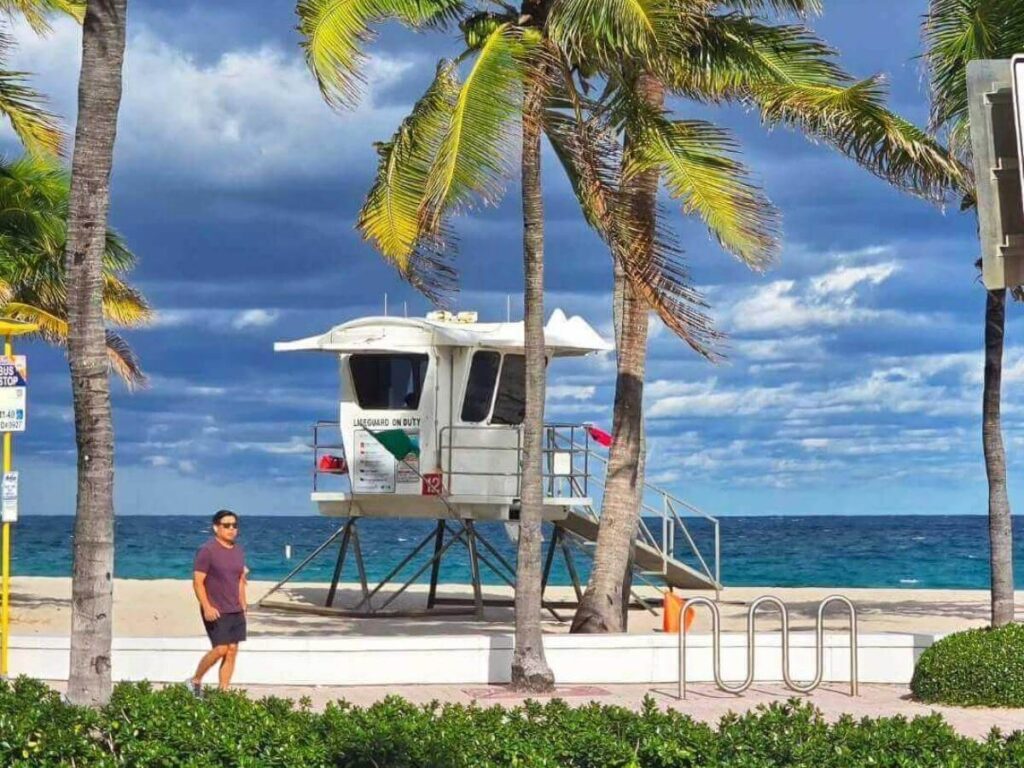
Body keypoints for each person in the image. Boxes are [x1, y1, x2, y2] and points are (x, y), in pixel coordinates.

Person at [189, 509, 248, 695]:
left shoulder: (238, 550)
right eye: (226, 525)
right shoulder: (207, 550)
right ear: (216, 528)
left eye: (234, 525)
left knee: (232, 651)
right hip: (215, 609)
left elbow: (240, 579)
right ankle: (195, 680)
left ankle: (223, 693)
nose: (231, 529)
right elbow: (198, 582)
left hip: (235, 609)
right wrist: (206, 606)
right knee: (221, 648)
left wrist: (243, 604)